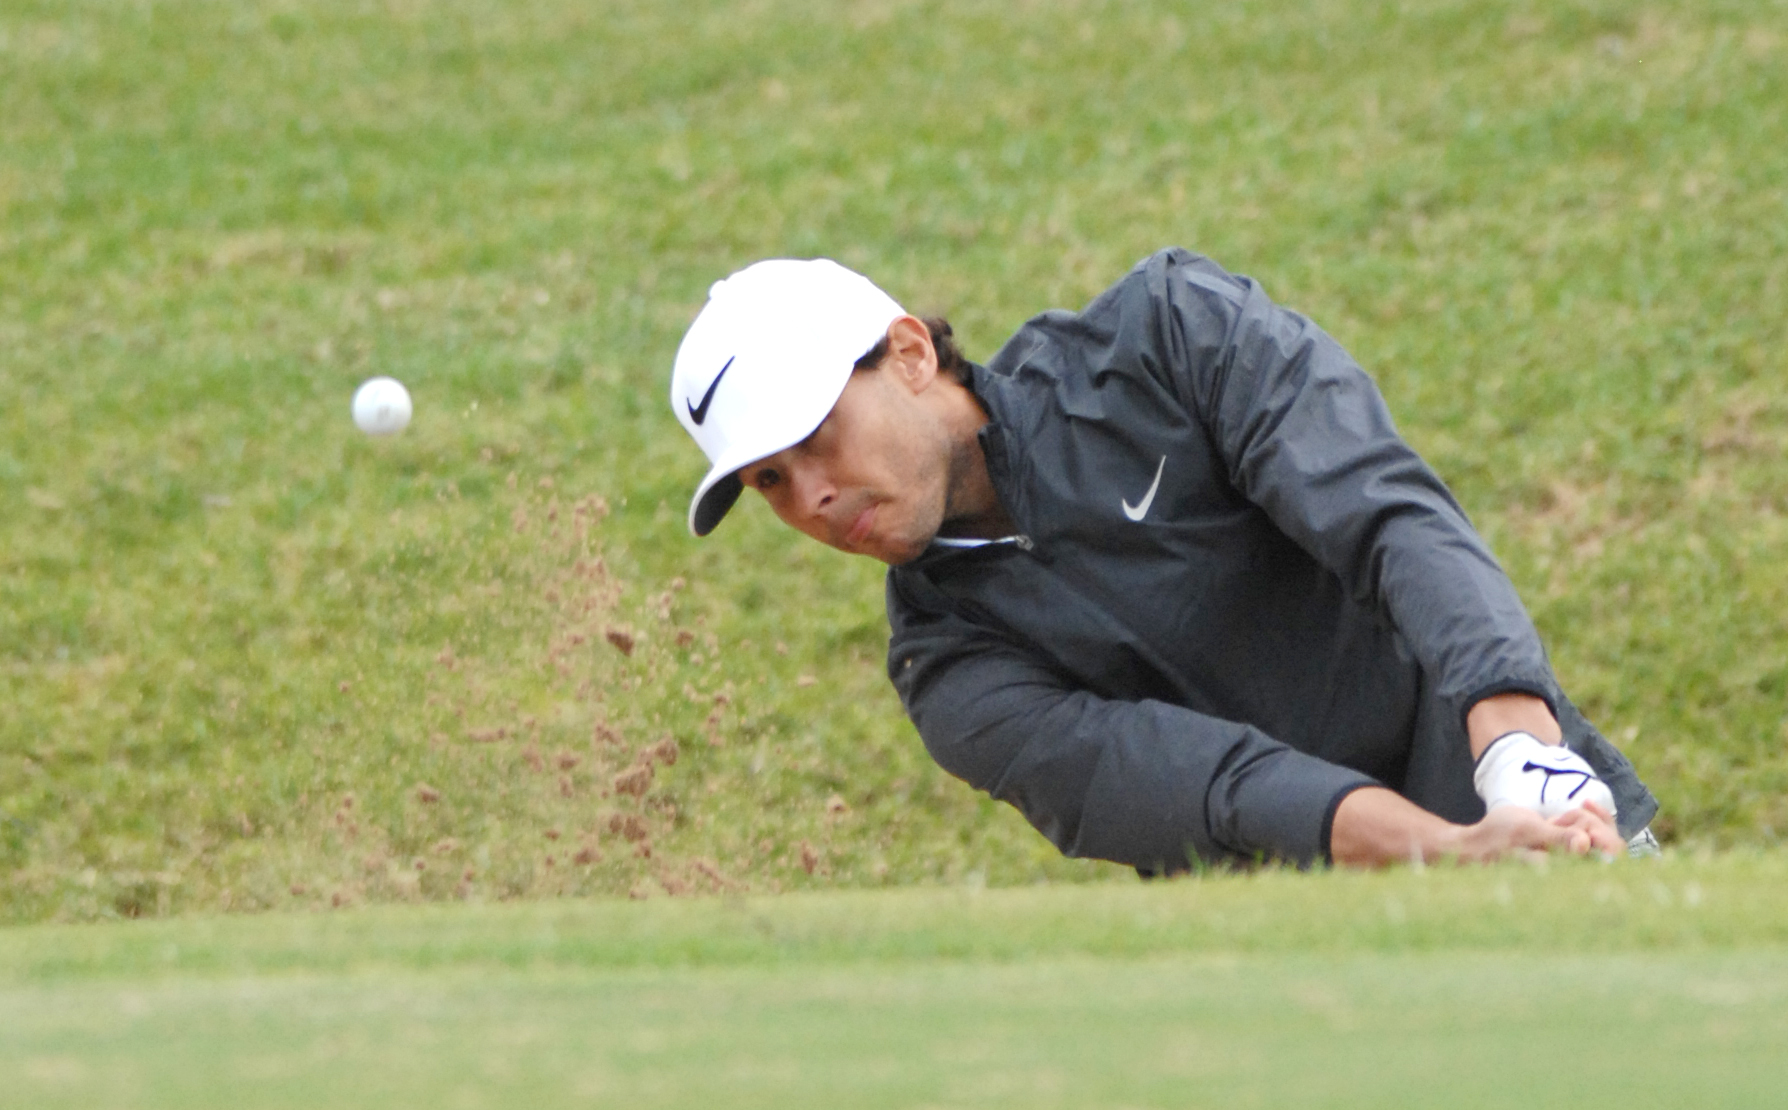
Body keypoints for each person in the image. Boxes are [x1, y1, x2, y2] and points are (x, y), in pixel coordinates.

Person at [669, 249, 1659, 871]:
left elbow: (1383, 512)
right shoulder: (948, 667)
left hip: (1546, 800)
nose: (810, 497)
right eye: (769, 481)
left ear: (911, 354)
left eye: (816, 436)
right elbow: (1215, 786)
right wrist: (1449, 851)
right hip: (1308, 969)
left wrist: (1518, 751)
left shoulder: (1171, 338)